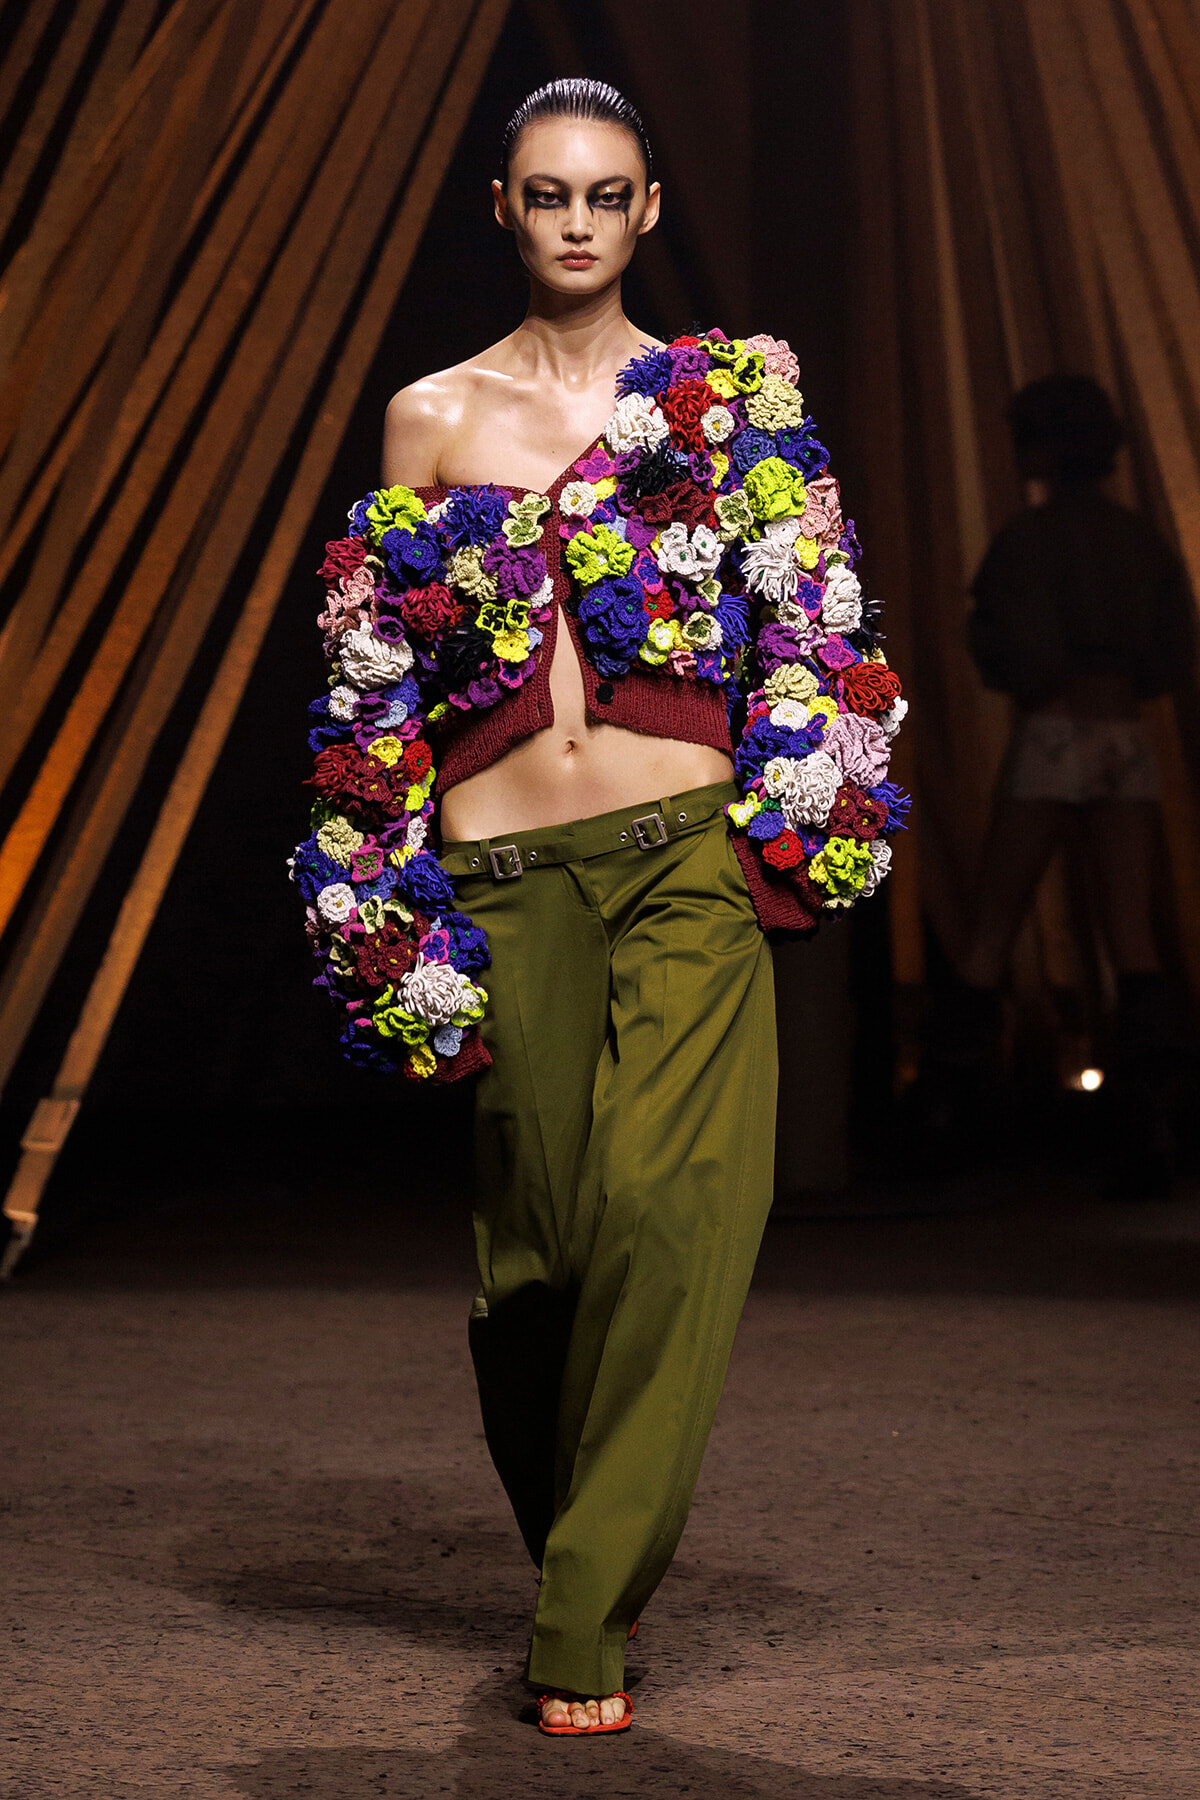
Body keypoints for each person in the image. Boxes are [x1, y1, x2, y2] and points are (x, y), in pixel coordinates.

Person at [290, 80, 904, 1736]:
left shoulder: (722, 402)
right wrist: (384, 901)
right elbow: (378, 685)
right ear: (505, 208)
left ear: (646, 216)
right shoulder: (428, 414)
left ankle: (579, 1622)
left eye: (607, 194)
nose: (576, 220)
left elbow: (817, 618)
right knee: (536, 1267)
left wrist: (811, 808)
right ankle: (580, 1544)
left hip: (679, 854)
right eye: (547, 193)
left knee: (673, 1209)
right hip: (503, 877)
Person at [947, 376, 1194, 1187]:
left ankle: (964, 1116)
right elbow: (1171, 646)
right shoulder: (1138, 540)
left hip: (1053, 726)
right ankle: (1149, 1123)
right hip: (1122, 726)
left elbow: (1000, 638)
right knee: (1133, 933)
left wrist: (1033, 673)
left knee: (994, 921)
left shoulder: (1028, 539)